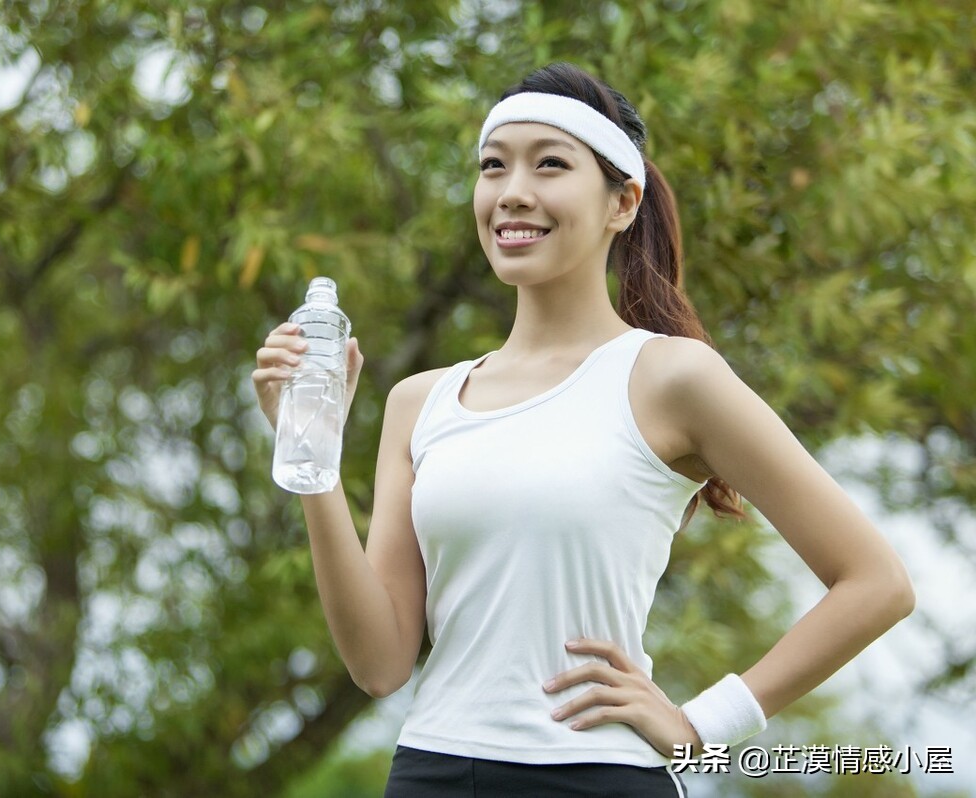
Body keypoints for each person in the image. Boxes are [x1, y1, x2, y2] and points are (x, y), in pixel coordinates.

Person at [251, 63, 915, 797]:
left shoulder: (672, 378)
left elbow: (875, 582)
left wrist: (702, 728)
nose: (512, 193)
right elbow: (379, 665)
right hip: (430, 773)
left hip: (597, 778)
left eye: (551, 165)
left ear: (622, 202)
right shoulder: (421, 401)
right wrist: (309, 453)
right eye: (493, 166)